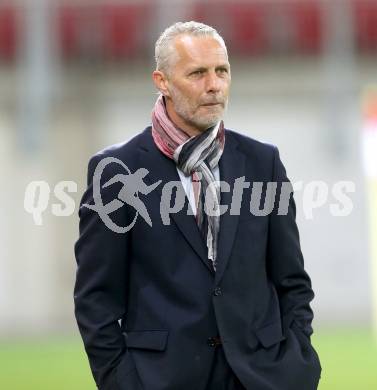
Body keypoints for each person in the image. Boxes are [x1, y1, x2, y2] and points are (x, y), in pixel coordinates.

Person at [74, 21, 321, 390]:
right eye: (198, 73)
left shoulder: (262, 162)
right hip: (163, 379)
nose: (214, 85)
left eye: (222, 71)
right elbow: (96, 299)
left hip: (261, 377)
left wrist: (298, 362)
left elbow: (292, 281)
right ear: (162, 81)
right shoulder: (116, 172)